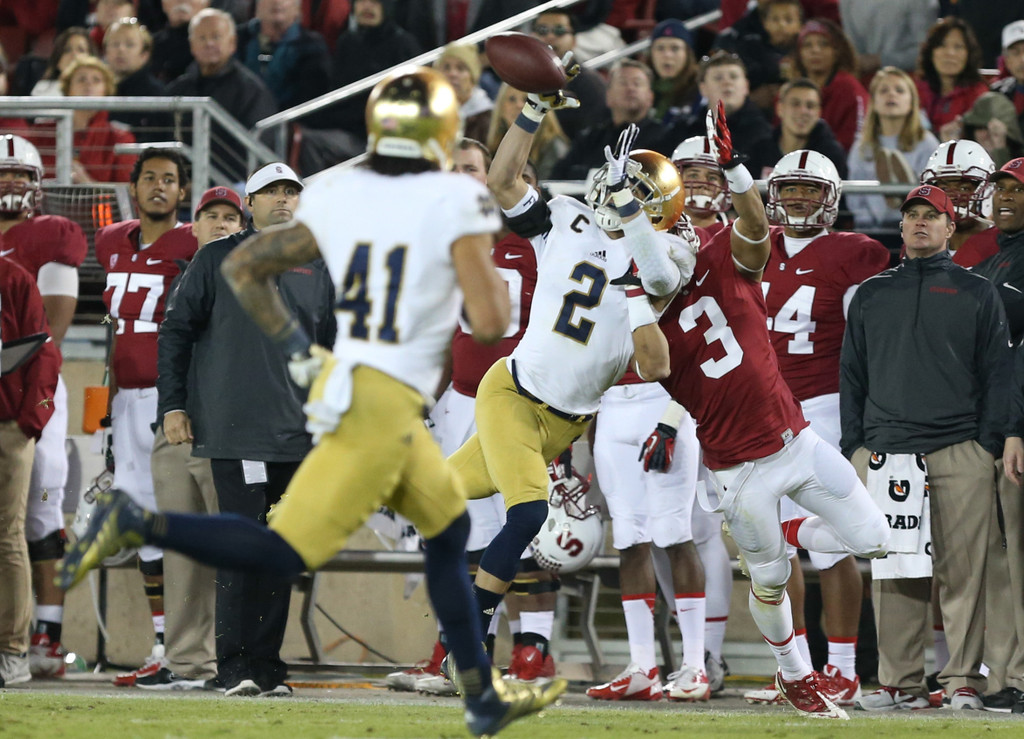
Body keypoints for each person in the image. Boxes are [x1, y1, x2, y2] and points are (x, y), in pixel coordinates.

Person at [58, 66, 568, 738]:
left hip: (353, 392)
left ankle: (477, 692)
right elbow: (492, 317)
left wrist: (301, 353)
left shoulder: (341, 205)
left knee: (397, 535)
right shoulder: (450, 208)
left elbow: (246, 266)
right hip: (380, 400)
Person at [631, 103, 890, 719]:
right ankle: (795, 674)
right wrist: (635, 295)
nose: (682, 246)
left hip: (799, 433)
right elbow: (651, 367)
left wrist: (737, 170)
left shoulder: (728, 261)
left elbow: (749, 223)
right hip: (736, 468)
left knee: (875, 541)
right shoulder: (642, 321)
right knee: (770, 580)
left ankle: (793, 546)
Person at [450, 50, 698, 691]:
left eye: (637, 191)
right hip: (512, 391)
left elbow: (658, 278)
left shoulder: (668, 250)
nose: (618, 193)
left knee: (443, 486)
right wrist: (533, 109)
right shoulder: (565, 217)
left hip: (568, 420)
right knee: (527, 516)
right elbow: (503, 180)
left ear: (658, 208)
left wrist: (632, 219)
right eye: (620, 185)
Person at [152, 160, 333, 698]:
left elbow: (334, 343)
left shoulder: (319, 263)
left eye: (291, 191)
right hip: (236, 430)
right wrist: (173, 405)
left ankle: (267, 667)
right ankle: (234, 667)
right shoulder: (216, 257)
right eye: (270, 192)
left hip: (299, 434)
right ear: (249, 204)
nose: (283, 199)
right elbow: (176, 330)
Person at [841, 184, 1011, 711]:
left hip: (960, 449)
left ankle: (962, 680)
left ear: (950, 227)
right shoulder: (871, 293)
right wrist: (855, 447)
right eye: (912, 215)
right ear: (902, 225)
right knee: (895, 573)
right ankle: (901, 684)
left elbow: (998, 374)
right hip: (887, 451)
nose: (919, 223)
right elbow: (852, 375)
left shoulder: (977, 290)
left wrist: (985, 446)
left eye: (930, 216)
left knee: (964, 573)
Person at [741, 149, 890, 709]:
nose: (799, 199)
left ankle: (844, 669)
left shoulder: (855, 253)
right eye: (790, 189)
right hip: (762, 410)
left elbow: (868, 343)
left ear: (831, 199)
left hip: (821, 408)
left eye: (810, 189)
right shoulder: (752, 244)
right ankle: (798, 669)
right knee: (773, 550)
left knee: (830, 548)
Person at [94, 148, 199, 687]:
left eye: (170, 179)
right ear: (132, 188)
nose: (160, 186)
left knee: (178, 518)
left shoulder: (196, 242)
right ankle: (162, 644)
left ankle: (190, 648)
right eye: (150, 178)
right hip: (125, 402)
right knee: (142, 524)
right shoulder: (110, 240)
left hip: (171, 400)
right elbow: (115, 328)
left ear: (184, 192)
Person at [141, 185, 244, 690]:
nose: (221, 224)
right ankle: (185, 662)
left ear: (243, 228)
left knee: (233, 549)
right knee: (181, 548)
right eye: (212, 216)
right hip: (178, 428)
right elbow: (171, 347)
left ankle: (237, 661)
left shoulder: (255, 278)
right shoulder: (182, 277)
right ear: (194, 226)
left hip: (229, 431)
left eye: (231, 218)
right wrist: (171, 408)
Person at [0, 134, 87, 680]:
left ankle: (46, 636)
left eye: (20, 175)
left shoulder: (52, 234)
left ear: (37, 186)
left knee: (40, 510)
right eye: (2, 174)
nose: (10, 183)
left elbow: (49, 331)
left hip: (32, 385)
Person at [952, 158, 1024, 713]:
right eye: (999, 187)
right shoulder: (995, 257)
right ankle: (1006, 672)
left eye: (1017, 190)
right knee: (1003, 558)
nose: (1005, 197)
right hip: (993, 424)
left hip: (1015, 426)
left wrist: (1018, 427)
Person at [0, 254, 60, 687]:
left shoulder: (13, 279)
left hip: (6, 426)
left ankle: (11, 650)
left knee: (6, 536)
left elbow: (44, 353)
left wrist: (29, 423)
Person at [164, 8, 277, 182]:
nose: (209, 43)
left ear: (232, 43)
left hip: (233, 184)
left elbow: (258, 149)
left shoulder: (251, 90)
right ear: (192, 45)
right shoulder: (179, 89)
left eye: (216, 37)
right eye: (202, 38)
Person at [847, 67, 940, 231]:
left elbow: (935, 192)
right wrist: (867, 228)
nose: (891, 94)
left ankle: (905, 196)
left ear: (911, 102)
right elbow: (855, 197)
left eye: (899, 90)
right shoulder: (861, 146)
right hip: (872, 229)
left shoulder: (927, 142)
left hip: (917, 228)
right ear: (873, 102)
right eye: (883, 91)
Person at [663, 52, 776, 180]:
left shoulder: (766, 135)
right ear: (703, 89)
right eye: (718, 78)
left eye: (733, 76)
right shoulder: (682, 131)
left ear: (746, 86)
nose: (727, 82)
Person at [551, 59, 666, 181]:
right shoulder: (591, 138)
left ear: (650, 98)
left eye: (637, 83)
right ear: (608, 96)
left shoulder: (664, 138)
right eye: (623, 83)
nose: (630, 88)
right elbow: (559, 174)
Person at [330, 0, 422, 142]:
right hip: (346, 128)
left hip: (388, 134)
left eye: (375, 2)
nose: (367, 6)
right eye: (361, 1)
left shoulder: (404, 45)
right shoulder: (346, 41)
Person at [235, 0, 333, 112]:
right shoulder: (235, 39)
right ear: (257, 5)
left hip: (291, 118)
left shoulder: (312, 46)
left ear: (297, 9)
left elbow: (312, 97)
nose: (276, 2)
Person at [51, 55, 137, 183]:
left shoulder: (121, 138)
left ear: (105, 91)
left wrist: (88, 184)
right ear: (68, 89)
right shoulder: (44, 132)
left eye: (96, 80)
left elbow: (127, 192)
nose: (88, 84)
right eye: (81, 79)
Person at [528, 9, 608, 140]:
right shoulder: (520, 79)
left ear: (574, 41)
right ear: (531, 37)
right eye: (542, 30)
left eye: (559, 31)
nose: (550, 37)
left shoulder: (591, 85)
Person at [792, 19, 868, 153]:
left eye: (824, 44)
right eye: (807, 45)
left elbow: (855, 142)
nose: (815, 50)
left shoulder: (850, 89)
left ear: (837, 52)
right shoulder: (791, 91)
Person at [915, 17, 988, 141]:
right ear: (931, 52)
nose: (950, 53)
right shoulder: (915, 91)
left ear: (969, 54)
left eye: (958, 47)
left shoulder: (979, 95)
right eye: (942, 45)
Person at [103, 17, 173, 143]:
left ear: (144, 55)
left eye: (130, 44)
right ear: (105, 52)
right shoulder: (99, 89)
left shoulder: (155, 94)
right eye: (115, 44)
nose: (121, 49)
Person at [919, 139, 995, 252]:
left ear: (986, 190)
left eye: (964, 188)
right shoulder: (921, 246)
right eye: (944, 189)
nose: (953, 197)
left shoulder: (1003, 245)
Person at [838, 0, 938, 81]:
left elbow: (928, 51)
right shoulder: (847, 2)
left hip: (910, 82)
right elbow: (853, 51)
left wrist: (880, 60)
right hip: (865, 83)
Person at [485, 85, 568, 181]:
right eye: (512, 99)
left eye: (527, 100)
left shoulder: (553, 146)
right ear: (501, 109)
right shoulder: (494, 144)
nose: (519, 105)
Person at [768, 78, 847, 178]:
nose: (803, 111)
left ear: (819, 112)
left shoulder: (832, 156)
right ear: (780, 109)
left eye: (810, 106)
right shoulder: (760, 150)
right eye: (795, 104)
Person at [670, 136, 731, 236]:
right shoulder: (657, 228)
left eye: (712, 177)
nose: (703, 183)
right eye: (693, 175)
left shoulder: (735, 235)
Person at [434, 44, 492, 144]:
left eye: (460, 68)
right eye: (446, 68)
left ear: (472, 78)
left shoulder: (489, 119)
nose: (452, 74)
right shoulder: (428, 113)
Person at [647, 18, 699, 127]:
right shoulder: (642, 89)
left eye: (675, 48)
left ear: (687, 54)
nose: (667, 55)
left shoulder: (702, 89)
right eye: (660, 48)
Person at [150, 0, 209, 84]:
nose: (182, 1)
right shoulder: (148, 46)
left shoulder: (213, 47)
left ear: (205, 3)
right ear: (163, 3)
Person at [27, 26, 95, 96]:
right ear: (58, 60)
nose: (74, 55)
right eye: (67, 50)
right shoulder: (42, 89)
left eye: (81, 50)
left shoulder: (98, 90)